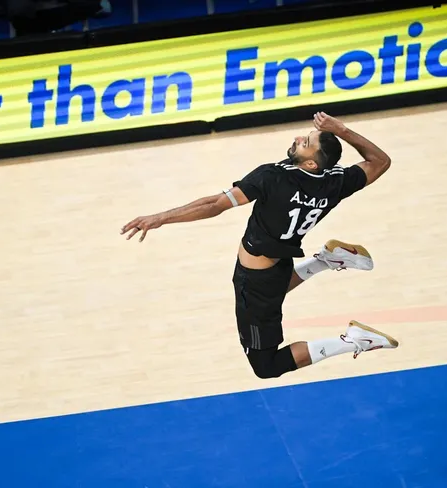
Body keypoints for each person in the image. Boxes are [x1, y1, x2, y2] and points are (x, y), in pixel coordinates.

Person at [120, 112, 399, 379]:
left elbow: (215, 204)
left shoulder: (272, 177)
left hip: (256, 277)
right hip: (279, 262)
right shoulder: (336, 181)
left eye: (305, 142)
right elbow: (380, 161)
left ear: (311, 164)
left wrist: (160, 218)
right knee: (275, 291)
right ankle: (326, 260)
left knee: (266, 366)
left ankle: (353, 340)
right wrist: (342, 130)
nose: (298, 138)